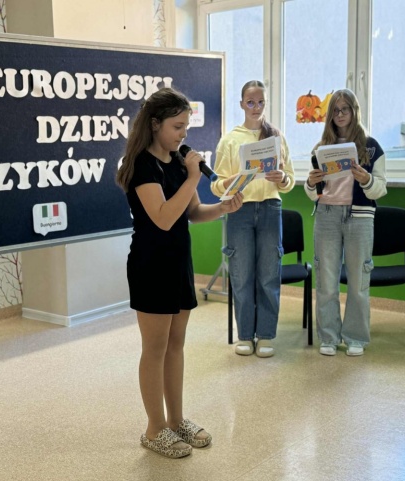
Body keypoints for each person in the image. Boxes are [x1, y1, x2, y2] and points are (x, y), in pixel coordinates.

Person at [116, 87, 243, 458]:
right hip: (150, 264)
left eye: (186, 127)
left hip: (177, 262)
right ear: (155, 124)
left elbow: (192, 213)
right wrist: (191, 177)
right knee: (154, 348)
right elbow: (162, 217)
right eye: (177, 127)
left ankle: (176, 420)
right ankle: (154, 428)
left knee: (176, 345)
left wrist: (223, 208)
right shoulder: (142, 165)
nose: (183, 134)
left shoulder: (176, 162)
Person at [210, 80, 295, 358]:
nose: (256, 107)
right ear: (241, 104)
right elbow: (216, 185)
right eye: (250, 102)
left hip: (270, 208)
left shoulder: (276, 138)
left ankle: (266, 335)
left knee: (269, 274)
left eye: (260, 102)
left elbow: (289, 181)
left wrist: (281, 178)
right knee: (242, 274)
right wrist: (230, 182)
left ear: (265, 104)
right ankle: (245, 335)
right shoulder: (230, 140)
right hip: (240, 210)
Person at [304, 88, 387, 357]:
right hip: (327, 215)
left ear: (354, 111)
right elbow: (312, 193)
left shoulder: (372, 147)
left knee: (358, 281)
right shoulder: (320, 148)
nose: (340, 115)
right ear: (330, 115)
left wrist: (366, 179)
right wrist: (311, 183)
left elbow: (380, 189)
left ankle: (355, 337)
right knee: (326, 280)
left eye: (345, 109)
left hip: (359, 217)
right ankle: (329, 337)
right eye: (335, 110)